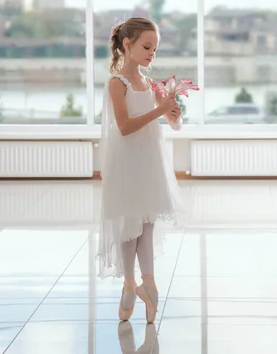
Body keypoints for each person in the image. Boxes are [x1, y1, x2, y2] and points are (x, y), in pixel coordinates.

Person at [97, 17, 186, 324]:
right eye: (147, 47)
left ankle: (148, 284)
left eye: (155, 49)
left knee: (146, 222)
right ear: (127, 44)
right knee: (128, 222)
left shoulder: (151, 84)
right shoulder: (116, 83)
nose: (152, 54)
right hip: (126, 161)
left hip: (149, 160)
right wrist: (160, 110)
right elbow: (124, 127)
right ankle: (129, 284)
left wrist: (173, 114)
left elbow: (170, 122)